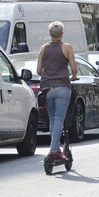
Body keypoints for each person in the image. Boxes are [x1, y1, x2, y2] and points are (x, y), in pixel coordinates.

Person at [37, 21, 78, 160]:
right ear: (62, 34)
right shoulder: (67, 48)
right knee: (59, 119)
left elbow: (38, 70)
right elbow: (74, 69)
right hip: (62, 87)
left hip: (47, 89)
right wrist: (73, 77)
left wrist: (48, 75)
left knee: (53, 119)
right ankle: (54, 150)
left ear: (50, 34)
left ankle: (55, 148)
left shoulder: (43, 48)